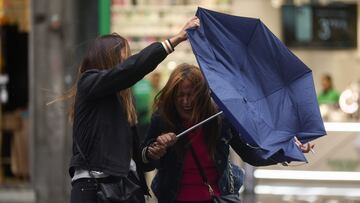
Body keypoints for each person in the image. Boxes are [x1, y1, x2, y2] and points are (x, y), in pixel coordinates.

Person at [66, 17, 200, 203]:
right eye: (124, 56)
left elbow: (137, 160)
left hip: (126, 188)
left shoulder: (122, 102)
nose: (127, 61)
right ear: (109, 58)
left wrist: (151, 152)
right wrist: (172, 41)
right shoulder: (88, 83)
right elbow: (129, 71)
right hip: (95, 188)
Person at [141, 64, 314, 203]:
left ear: (201, 95)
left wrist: (288, 150)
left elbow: (251, 154)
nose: (185, 101)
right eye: (180, 95)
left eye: (190, 95)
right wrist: (154, 151)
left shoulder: (220, 118)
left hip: (217, 197)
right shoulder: (163, 118)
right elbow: (144, 161)